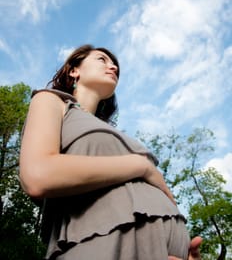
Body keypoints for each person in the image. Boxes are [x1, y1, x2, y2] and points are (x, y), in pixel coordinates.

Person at [20, 44, 201, 260]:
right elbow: (38, 175)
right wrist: (142, 166)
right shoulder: (51, 101)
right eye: (102, 59)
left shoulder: (111, 131)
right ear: (74, 70)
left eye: (114, 64)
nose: (113, 66)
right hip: (102, 245)